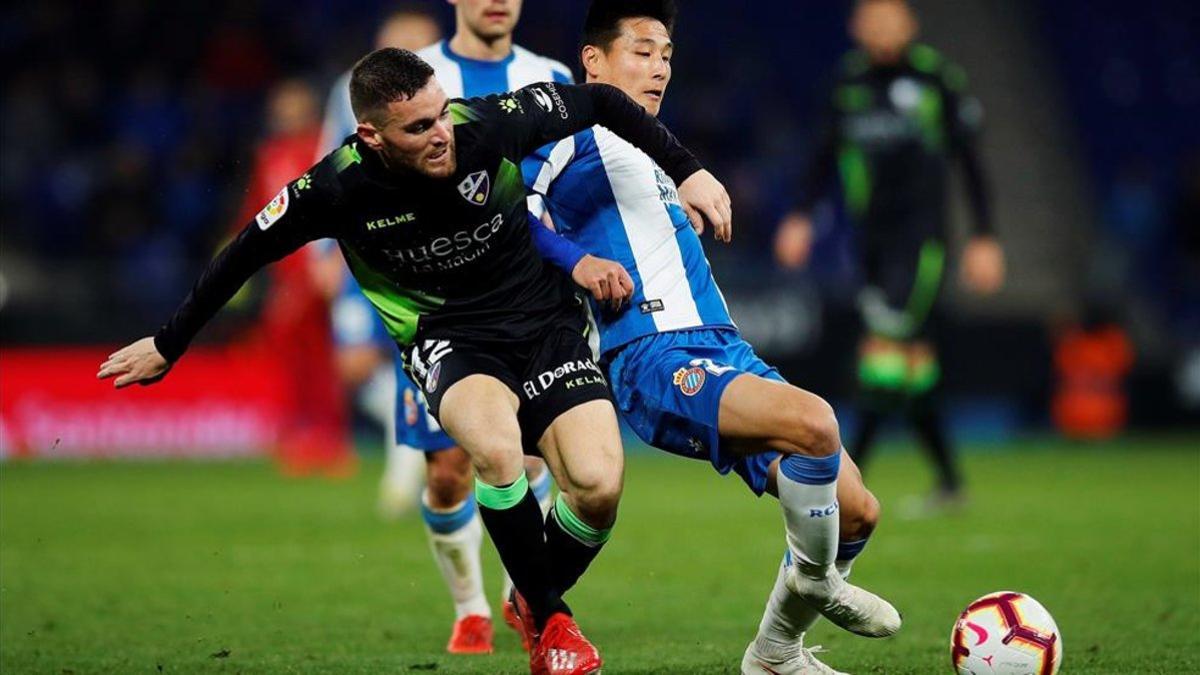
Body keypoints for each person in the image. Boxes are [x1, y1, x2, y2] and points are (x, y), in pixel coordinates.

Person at [99, 47, 731, 675]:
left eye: (440, 115)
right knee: (498, 451)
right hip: (448, 337)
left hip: (546, 325)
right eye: (419, 127)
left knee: (598, 488)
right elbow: (242, 254)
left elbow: (601, 101)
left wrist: (686, 168)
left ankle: (529, 600)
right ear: (371, 136)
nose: (441, 135)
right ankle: (552, 620)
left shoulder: (487, 123)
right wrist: (167, 343)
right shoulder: (334, 188)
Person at [521, 2, 900, 673]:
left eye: (666, 54)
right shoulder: (565, 130)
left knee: (856, 510)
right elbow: (513, 216)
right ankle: (815, 582)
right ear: (592, 60)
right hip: (652, 354)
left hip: (725, 346)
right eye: (641, 50)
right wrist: (577, 261)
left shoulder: (654, 148)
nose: (658, 67)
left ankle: (775, 652)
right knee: (816, 422)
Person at [316, 0, 579, 654]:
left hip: (525, 293)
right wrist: (329, 260)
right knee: (445, 469)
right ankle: (470, 607)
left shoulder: (547, 72)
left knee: (522, 453)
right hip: (431, 306)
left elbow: (578, 176)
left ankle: (532, 598)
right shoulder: (412, 77)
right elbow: (345, 180)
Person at [774, 0, 1004, 510]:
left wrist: (984, 236)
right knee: (912, 363)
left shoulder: (935, 80)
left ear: (909, 24)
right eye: (871, 20)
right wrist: (801, 216)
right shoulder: (848, 85)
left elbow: (970, 160)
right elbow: (823, 155)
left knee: (882, 351)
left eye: (890, 19)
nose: (880, 30)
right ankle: (950, 483)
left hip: (921, 242)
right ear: (857, 26)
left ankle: (850, 477)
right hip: (870, 244)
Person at [235, 79, 354, 477]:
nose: (287, 112)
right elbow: (257, 213)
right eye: (281, 104)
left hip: (320, 272)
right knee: (294, 352)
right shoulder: (267, 154)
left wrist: (335, 259)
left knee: (324, 358)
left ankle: (328, 437)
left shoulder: (320, 149)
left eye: (294, 104)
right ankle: (304, 434)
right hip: (288, 277)